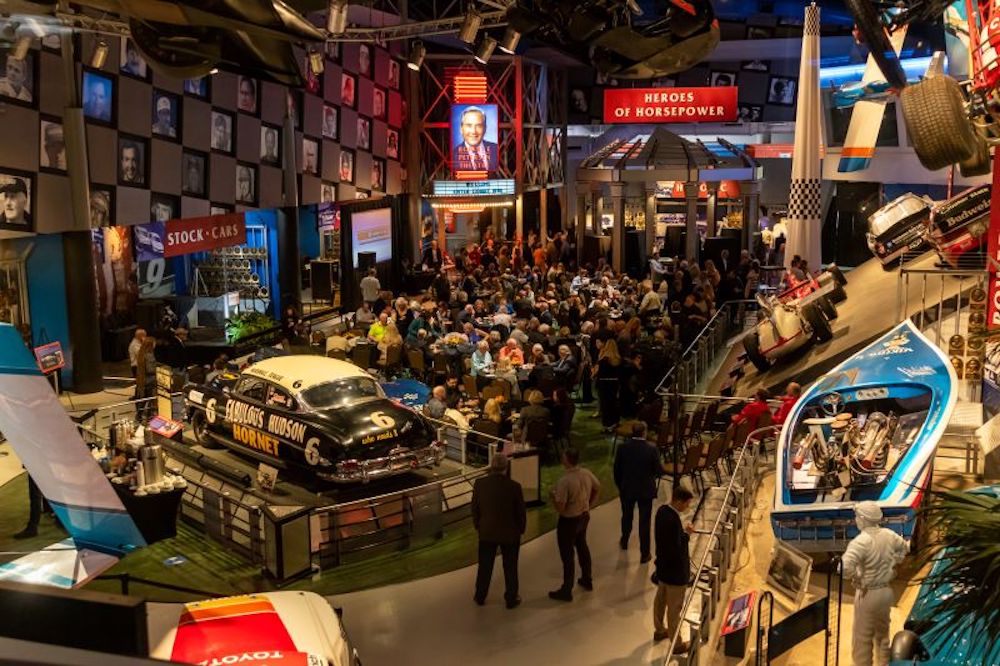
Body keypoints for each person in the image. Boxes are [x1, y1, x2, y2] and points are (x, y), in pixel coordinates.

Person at [842, 501, 908, 666]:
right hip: (886, 592)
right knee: (883, 636)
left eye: (857, 517)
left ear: (864, 519)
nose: (856, 520)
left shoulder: (860, 542)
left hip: (868, 594)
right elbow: (904, 548)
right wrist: (894, 562)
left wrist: (857, 576)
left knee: (862, 638)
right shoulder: (889, 535)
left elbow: (845, 568)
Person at [471, 453, 526, 609]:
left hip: (487, 532)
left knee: (485, 567)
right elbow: (520, 512)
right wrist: (521, 529)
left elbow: (474, 508)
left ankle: (480, 596)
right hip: (510, 534)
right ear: (506, 468)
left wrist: (478, 525)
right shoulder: (514, 487)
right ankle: (511, 598)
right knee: (510, 567)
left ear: (492, 466)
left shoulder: (479, 484)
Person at [549, 448, 600, 602]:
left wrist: (552, 496)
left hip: (569, 521)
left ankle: (567, 589)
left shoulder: (565, 481)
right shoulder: (586, 473)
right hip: (584, 517)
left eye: (563, 457)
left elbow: (561, 508)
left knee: (567, 555)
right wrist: (589, 504)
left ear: (567, 460)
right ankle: (587, 578)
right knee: (582, 546)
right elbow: (597, 487)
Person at [653, 485, 695, 651]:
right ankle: (676, 644)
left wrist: (681, 534)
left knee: (660, 601)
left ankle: (659, 630)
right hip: (675, 573)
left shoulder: (661, 511)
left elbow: (666, 541)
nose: (687, 507)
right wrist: (687, 534)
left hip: (663, 568)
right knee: (674, 609)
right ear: (678, 501)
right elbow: (677, 547)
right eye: (687, 504)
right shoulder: (673, 520)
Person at [614, 422, 661, 562]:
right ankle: (645, 554)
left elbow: (616, 470)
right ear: (644, 432)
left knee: (626, 516)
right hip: (645, 490)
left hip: (627, 488)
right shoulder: (652, 449)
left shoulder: (622, 448)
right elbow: (658, 470)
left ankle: (624, 541)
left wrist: (621, 486)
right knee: (644, 523)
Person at [453, 106, 498, 172]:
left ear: (485, 129)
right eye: (469, 126)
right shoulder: (453, 155)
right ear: (461, 129)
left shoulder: (496, 149)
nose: (473, 131)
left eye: (479, 126)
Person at [594, 338, 622, 432]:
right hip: (614, 383)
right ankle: (615, 422)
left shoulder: (604, 360)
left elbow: (600, 373)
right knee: (613, 403)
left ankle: (607, 425)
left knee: (605, 405)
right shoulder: (618, 360)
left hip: (604, 384)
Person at [136, 336, 158, 420]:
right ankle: (149, 416)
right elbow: (150, 369)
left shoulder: (141, 354)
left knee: (144, 399)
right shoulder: (149, 355)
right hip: (151, 380)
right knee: (151, 399)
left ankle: (140, 415)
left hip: (144, 380)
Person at [128, 327, 146, 392]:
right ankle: (138, 395)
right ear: (140, 336)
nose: (145, 337)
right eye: (144, 336)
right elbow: (140, 355)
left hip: (141, 366)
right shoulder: (134, 344)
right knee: (140, 384)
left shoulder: (139, 343)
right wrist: (144, 344)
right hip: (136, 366)